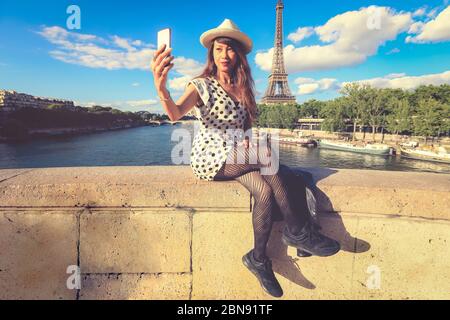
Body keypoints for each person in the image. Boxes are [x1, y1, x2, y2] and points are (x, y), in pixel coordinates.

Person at [151, 18, 340, 298]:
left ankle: (258, 258)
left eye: (229, 49)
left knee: (264, 191)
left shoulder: (242, 87)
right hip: (211, 155)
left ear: (238, 55)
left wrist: (248, 137)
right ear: (211, 54)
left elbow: (244, 126)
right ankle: (299, 231)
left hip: (238, 153)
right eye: (218, 49)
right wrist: (161, 87)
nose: (224, 55)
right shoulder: (201, 85)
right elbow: (175, 113)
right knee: (268, 157)